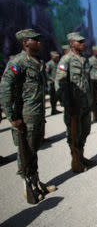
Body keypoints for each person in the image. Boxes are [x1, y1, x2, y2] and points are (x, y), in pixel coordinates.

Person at [0, 29, 56, 204]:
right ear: (25, 42)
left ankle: (36, 181)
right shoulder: (18, 62)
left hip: (37, 114)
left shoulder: (37, 62)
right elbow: (5, 89)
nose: (39, 43)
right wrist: (11, 117)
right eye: (35, 40)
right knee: (25, 153)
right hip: (24, 117)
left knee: (34, 151)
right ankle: (27, 187)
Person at [55, 32, 95, 173]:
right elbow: (59, 84)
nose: (83, 44)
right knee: (73, 134)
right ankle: (75, 161)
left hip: (85, 103)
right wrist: (67, 104)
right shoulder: (66, 60)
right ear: (72, 43)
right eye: (79, 42)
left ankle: (82, 156)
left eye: (83, 41)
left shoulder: (85, 59)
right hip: (73, 106)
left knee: (85, 131)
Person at [45, 51, 60, 115]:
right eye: (55, 57)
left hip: (57, 83)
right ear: (52, 57)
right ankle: (53, 109)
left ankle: (55, 109)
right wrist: (52, 79)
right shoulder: (49, 64)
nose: (57, 58)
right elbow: (46, 73)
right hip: (51, 83)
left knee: (56, 96)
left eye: (57, 57)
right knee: (52, 96)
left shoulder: (58, 63)